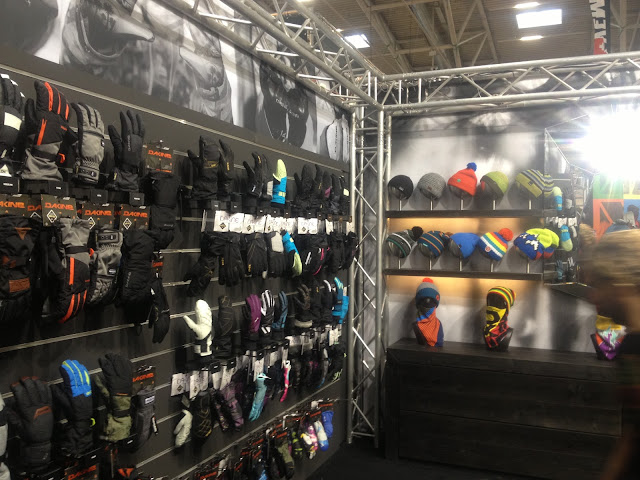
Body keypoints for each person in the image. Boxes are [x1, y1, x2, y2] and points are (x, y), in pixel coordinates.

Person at [590, 229, 640, 479]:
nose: (594, 296)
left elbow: (631, 439)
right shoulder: (631, 343)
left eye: (600, 284)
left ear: (620, 282)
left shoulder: (634, 348)